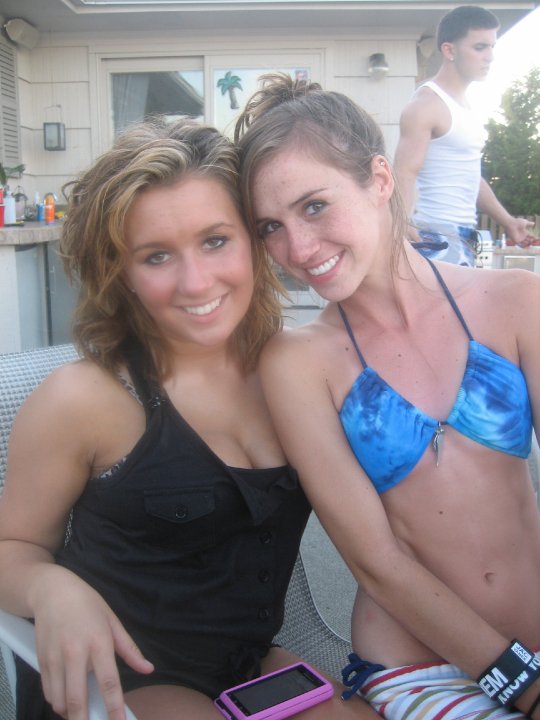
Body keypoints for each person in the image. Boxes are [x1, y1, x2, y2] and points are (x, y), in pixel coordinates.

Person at [0, 117, 375, 720]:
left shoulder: (294, 376)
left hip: (247, 666)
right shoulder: (85, 399)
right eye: (156, 256)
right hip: (116, 678)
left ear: (254, 240)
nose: (196, 282)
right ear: (120, 274)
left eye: (216, 240)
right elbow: (11, 547)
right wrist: (50, 586)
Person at [234, 72, 540, 720]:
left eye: (314, 207)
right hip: (422, 669)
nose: (298, 249)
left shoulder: (516, 303)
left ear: (379, 179)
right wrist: (525, 686)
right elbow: (376, 561)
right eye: (270, 227)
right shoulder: (298, 363)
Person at [393, 5, 538, 266]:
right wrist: (400, 225)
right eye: (480, 47)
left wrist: (507, 221)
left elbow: (470, 174)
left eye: (492, 46)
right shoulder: (427, 104)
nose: (490, 57)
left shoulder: (465, 107)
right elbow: (404, 172)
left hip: (464, 237)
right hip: (434, 235)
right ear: (450, 50)